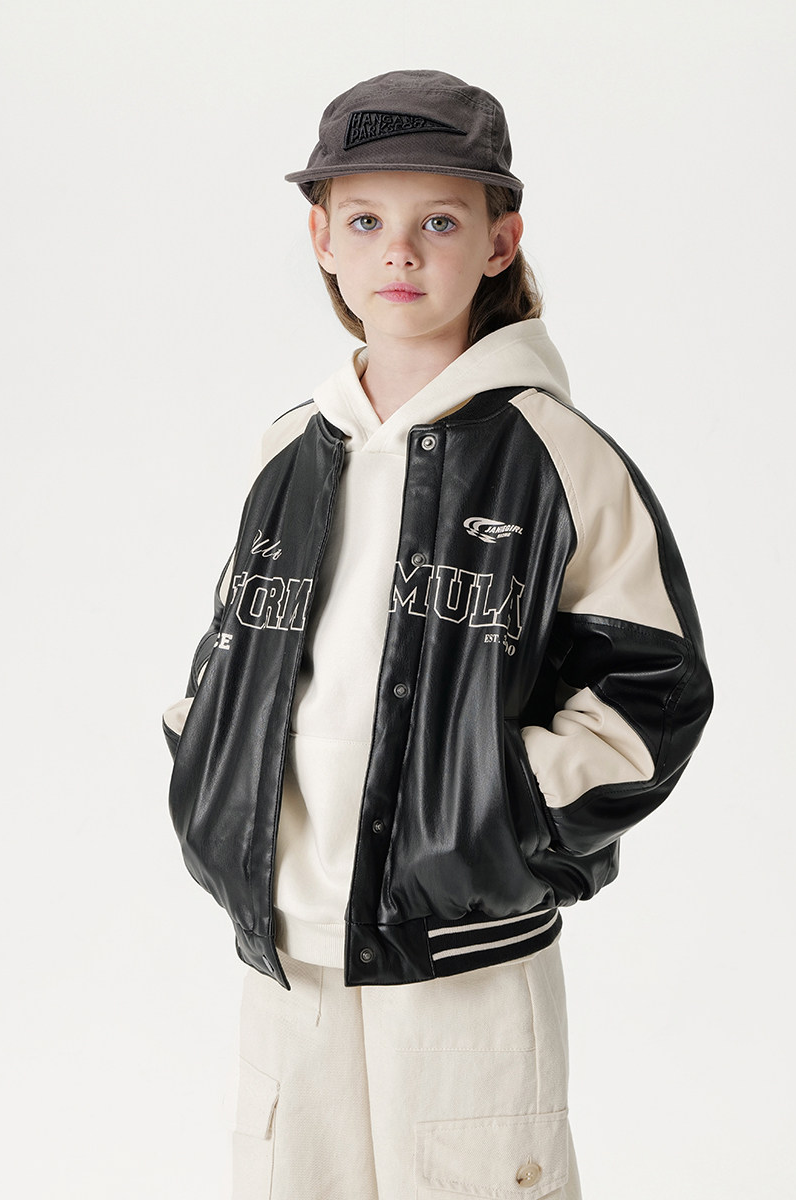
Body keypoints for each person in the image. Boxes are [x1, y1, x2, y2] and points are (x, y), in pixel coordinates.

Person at [162, 69, 713, 1200]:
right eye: (366, 221)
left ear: (501, 242)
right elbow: (232, 644)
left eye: (441, 223)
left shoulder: (555, 456)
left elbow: (653, 689)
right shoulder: (290, 450)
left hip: (464, 956)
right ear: (322, 239)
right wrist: (208, 773)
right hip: (289, 952)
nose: (400, 252)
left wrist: (494, 817)